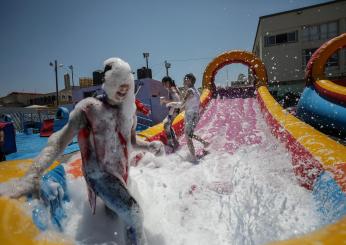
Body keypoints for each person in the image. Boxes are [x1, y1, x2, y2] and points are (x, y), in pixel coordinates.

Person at [0, 57, 164, 245]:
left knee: (115, 217)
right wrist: (33, 175)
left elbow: (131, 142)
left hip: (119, 175)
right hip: (99, 176)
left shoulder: (128, 112)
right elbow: (58, 141)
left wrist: (149, 146)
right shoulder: (89, 109)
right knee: (134, 213)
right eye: (119, 85)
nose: (123, 91)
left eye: (127, 86)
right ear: (108, 82)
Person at [180, 73, 209, 162]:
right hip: (195, 115)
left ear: (190, 80)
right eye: (184, 78)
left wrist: (168, 102)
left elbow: (182, 103)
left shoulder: (189, 90)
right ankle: (205, 143)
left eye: (186, 79)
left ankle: (193, 158)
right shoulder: (195, 90)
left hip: (191, 115)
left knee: (188, 137)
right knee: (190, 134)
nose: (184, 80)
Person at [160, 76, 181, 150]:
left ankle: (171, 143)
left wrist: (164, 100)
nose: (164, 86)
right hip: (174, 110)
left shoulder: (172, 89)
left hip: (174, 110)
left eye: (164, 84)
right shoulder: (173, 88)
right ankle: (174, 142)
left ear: (168, 82)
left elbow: (177, 100)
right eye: (163, 84)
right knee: (167, 125)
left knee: (166, 125)